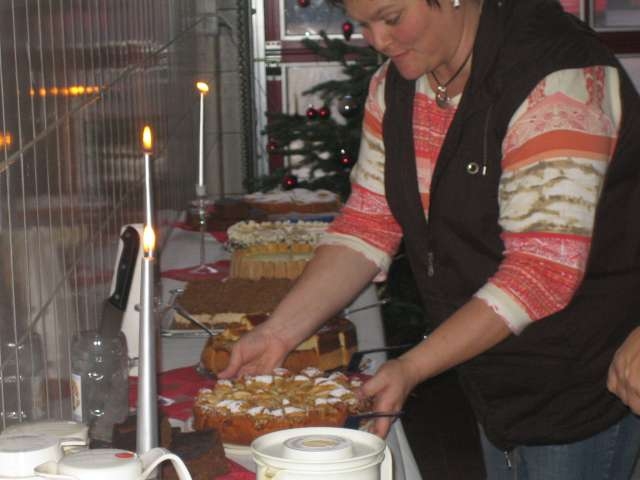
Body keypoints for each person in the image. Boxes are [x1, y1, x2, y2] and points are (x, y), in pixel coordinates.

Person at [220, 0, 640, 477]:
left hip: (578, 378)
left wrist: (412, 367)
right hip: (495, 374)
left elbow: (541, 272)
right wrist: (278, 333)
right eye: (363, 24)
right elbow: (369, 222)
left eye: (392, 18)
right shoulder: (399, 84)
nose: (378, 41)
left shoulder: (556, 78)